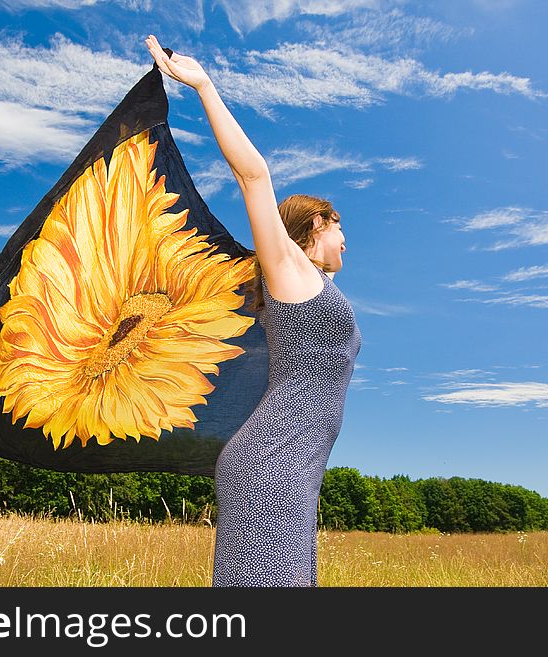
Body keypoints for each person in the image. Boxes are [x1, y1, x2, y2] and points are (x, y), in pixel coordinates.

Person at [145, 35, 361, 587]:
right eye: (340, 229)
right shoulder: (290, 273)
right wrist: (204, 86)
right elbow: (254, 175)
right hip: (271, 467)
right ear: (315, 227)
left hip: (293, 470)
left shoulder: (317, 288)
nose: (346, 242)